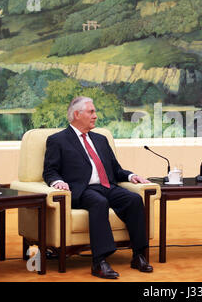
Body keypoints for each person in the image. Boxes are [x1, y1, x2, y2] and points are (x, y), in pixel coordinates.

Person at [43, 96, 153, 279]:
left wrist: (131, 176)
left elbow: (116, 169)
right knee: (99, 202)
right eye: (91, 112)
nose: (95, 115)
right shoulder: (58, 140)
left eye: (94, 112)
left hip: (107, 186)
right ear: (77, 114)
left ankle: (138, 255)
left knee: (134, 200)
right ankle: (99, 262)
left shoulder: (101, 139)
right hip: (82, 190)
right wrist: (57, 182)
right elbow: (49, 171)